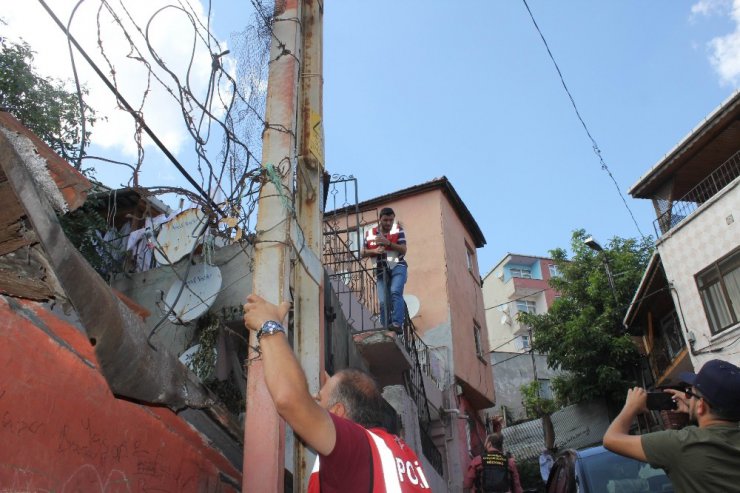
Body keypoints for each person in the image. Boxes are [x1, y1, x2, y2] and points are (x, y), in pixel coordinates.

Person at [242, 294, 431, 492]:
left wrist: (269, 325)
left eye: (319, 398)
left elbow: (290, 399)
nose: (314, 400)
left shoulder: (354, 448)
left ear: (338, 412)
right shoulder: (401, 455)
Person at [603, 358, 740, 492]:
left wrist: (631, 406)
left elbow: (611, 439)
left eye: (690, 394)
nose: (687, 398)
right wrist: (696, 411)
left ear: (701, 405)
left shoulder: (681, 445)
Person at [363, 207, 408, 333]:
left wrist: (388, 243)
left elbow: (403, 250)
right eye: (386, 220)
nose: (388, 223)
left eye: (391, 220)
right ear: (380, 219)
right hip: (381, 269)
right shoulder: (370, 233)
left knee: (395, 292)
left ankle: (397, 323)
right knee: (383, 301)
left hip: (398, 266)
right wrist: (374, 251)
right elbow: (362, 252)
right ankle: (385, 327)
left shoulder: (398, 230)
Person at [464, 428, 523, 493]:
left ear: (489, 444)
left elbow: (467, 484)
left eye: (486, 443)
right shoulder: (509, 462)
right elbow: (517, 486)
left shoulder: (478, 460)